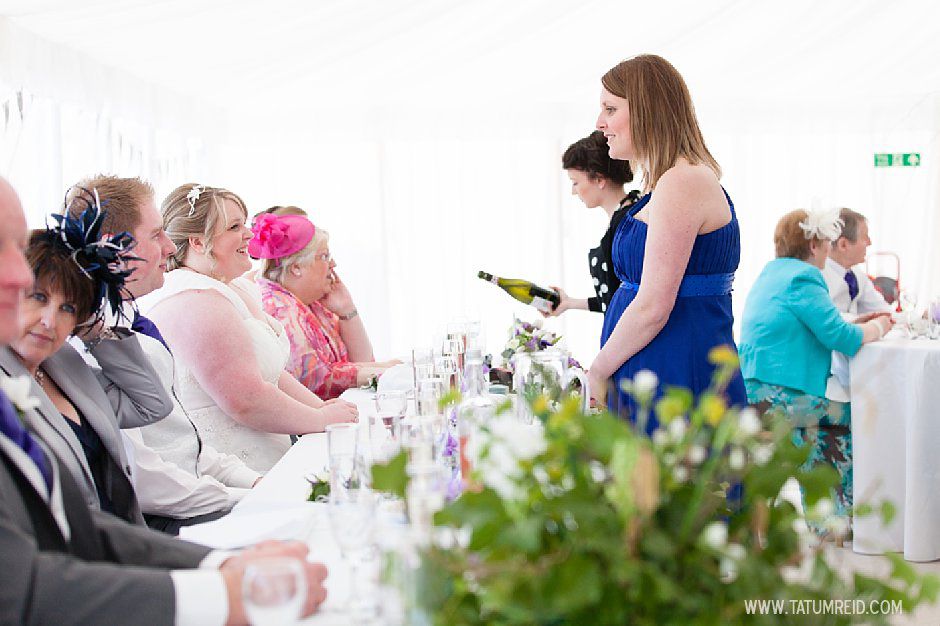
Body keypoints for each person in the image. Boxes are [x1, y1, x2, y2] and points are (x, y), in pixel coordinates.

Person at [0, 175, 328, 625]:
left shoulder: (63, 367)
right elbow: (24, 586)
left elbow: (146, 411)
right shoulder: (192, 299)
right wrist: (223, 593)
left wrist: (219, 567)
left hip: (121, 562)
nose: (19, 275)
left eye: (67, 306)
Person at [66, 176, 263, 534]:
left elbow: (186, 442)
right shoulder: (90, 345)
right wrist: (242, 500)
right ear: (115, 249)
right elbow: (145, 480)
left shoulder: (132, 321)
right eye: (156, 234)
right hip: (168, 523)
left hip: (200, 498)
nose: (171, 247)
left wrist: (254, 482)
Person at [138, 184, 358, 472]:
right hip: (234, 467)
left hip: (269, 452)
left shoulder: (235, 288)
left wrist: (323, 411)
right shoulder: (195, 299)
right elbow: (246, 399)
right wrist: (320, 420)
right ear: (197, 242)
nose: (249, 234)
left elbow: (273, 375)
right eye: (234, 227)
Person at [587, 54, 747, 430]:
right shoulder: (665, 184)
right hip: (658, 362)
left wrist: (597, 370)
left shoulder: (681, 182)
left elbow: (655, 304)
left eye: (610, 109)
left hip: (673, 368)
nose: (600, 123)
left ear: (647, 111)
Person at [0, 196, 173, 525]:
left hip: (122, 538)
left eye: (68, 308)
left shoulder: (64, 365)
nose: (50, 321)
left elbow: (151, 404)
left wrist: (94, 331)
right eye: (38, 297)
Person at [739, 209, 892, 520]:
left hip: (756, 393)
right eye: (826, 242)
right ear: (813, 246)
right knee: (859, 417)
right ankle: (844, 519)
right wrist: (880, 328)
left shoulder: (774, 273)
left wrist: (857, 323)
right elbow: (841, 338)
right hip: (781, 396)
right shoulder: (804, 277)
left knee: (822, 434)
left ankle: (831, 519)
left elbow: (819, 324)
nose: (828, 249)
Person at [252, 208, 399, 399]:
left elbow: (361, 361)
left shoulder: (313, 302)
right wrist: (388, 371)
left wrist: (347, 310)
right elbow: (316, 381)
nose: (333, 264)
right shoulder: (279, 309)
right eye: (324, 256)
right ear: (296, 268)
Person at [546, 130, 640, 317]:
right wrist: (569, 303)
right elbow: (613, 298)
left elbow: (636, 298)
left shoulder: (627, 224)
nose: (574, 191)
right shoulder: (627, 215)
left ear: (599, 179)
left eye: (575, 182)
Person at [822, 208, 891, 318]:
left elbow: (883, 310)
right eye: (865, 237)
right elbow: (826, 319)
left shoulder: (856, 274)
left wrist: (917, 318)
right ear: (843, 245)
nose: (869, 243)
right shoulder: (816, 277)